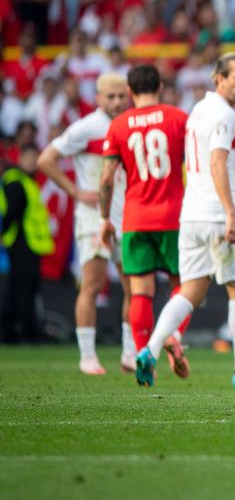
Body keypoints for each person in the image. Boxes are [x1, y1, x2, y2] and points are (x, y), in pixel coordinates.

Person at [134, 54, 235, 388]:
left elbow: (223, 166)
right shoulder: (225, 115)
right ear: (219, 77)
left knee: (191, 291)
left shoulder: (198, 109)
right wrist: (232, 213)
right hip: (217, 215)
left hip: (192, 215)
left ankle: (151, 350)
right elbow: (217, 164)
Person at [37, 73, 134, 375]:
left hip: (127, 216)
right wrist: (75, 191)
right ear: (98, 98)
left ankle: (130, 352)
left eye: (121, 96)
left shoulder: (130, 124)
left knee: (135, 286)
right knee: (92, 284)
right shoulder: (86, 127)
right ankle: (88, 355)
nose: (117, 102)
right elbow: (45, 159)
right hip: (94, 217)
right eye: (111, 97)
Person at [99, 65, 191, 379]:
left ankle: (143, 356)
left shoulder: (118, 125)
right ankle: (173, 336)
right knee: (184, 286)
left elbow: (107, 179)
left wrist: (103, 217)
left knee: (140, 291)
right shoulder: (179, 118)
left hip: (135, 218)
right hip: (174, 217)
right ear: (161, 86)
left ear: (129, 91)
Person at [1, 145, 53, 342]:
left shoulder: (28, 181)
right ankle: (24, 331)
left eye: (35, 158)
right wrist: (3, 233)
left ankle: (13, 330)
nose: (33, 162)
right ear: (20, 158)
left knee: (21, 288)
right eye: (30, 158)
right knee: (22, 290)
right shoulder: (16, 180)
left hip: (30, 243)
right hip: (21, 243)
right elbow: (12, 211)